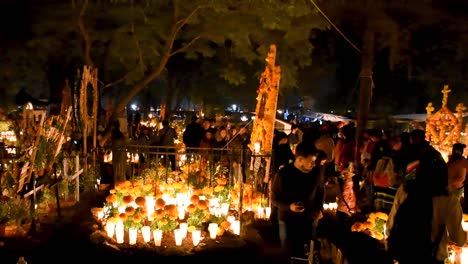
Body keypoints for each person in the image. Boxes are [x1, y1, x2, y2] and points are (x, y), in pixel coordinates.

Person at [386, 143, 467, 264]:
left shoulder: (404, 191)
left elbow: (389, 227)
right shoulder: (448, 200)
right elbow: (458, 238)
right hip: (432, 257)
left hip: (405, 255)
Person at [271, 142, 325, 258]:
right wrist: (289, 206)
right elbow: (274, 199)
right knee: (288, 253)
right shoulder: (283, 174)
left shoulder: (316, 173)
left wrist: (320, 208)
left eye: (315, 161)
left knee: (307, 254)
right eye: (311, 161)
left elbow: (321, 191)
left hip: (308, 219)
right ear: (300, 159)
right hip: (287, 220)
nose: (314, 164)